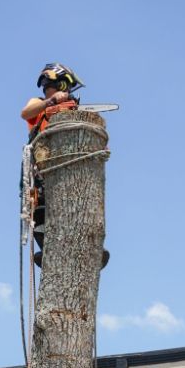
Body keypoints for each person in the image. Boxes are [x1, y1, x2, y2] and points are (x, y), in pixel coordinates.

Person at [21, 63, 109, 270]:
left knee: (84, 208)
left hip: (72, 168)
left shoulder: (75, 111)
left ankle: (91, 249)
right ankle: (47, 251)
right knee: (41, 210)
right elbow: (25, 113)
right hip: (44, 167)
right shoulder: (39, 104)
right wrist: (51, 101)